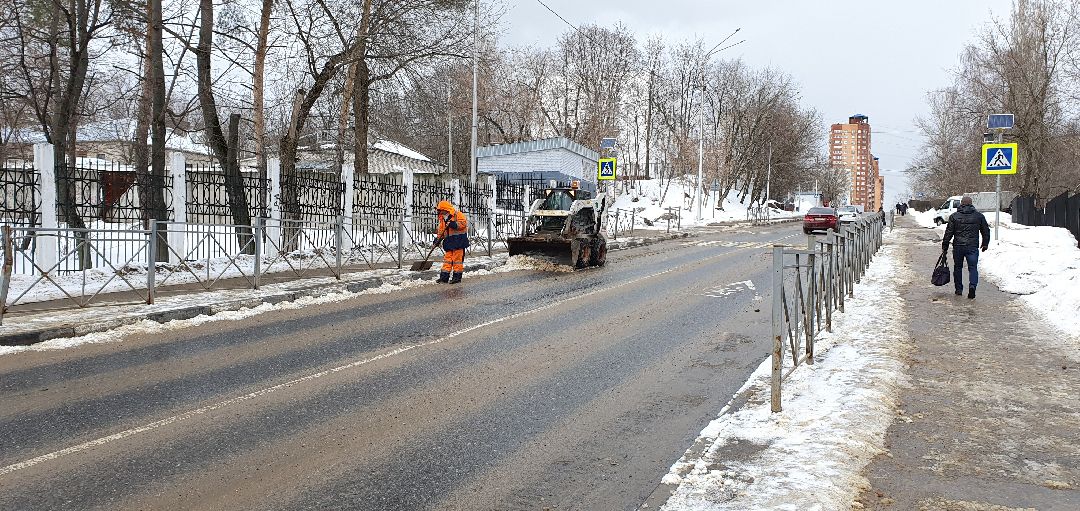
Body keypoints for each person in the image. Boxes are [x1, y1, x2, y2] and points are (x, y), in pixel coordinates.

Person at [941, 196, 990, 299]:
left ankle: (959, 289)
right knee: (973, 268)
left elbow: (949, 232)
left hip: (958, 246)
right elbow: (985, 231)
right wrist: (985, 243)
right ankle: (972, 286)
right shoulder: (979, 216)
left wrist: (945, 245)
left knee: (958, 267)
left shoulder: (954, 216)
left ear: (961, 204)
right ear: (971, 204)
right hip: (972, 246)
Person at [434, 200, 469, 284]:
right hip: (449, 242)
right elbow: (441, 230)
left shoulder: (457, 214)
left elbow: (463, 224)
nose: (440, 212)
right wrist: (437, 240)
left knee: (457, 261)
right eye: (439, 211)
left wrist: (454, 224)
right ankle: (444, 278)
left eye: (441, 210)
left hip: (459, 241)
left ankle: (456, 278)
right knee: (447, 260)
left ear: (446, 209)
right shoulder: (443, 219)